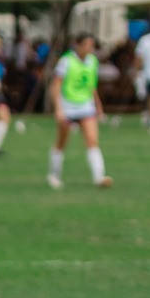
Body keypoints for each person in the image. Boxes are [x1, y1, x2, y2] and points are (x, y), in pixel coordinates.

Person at [47, 31, 110, 190]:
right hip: (67, 105)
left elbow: (91, 86)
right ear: (78, 45)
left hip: (85, 106)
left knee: (92, 140)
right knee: (62, 141)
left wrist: (98, 105)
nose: (89, 48)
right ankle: (54, 174)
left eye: (91, 45)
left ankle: (99, 176)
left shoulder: (92, 61)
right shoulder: (66, 61)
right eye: (86, 45)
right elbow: (56, 86)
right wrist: (58, 109)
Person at [133, 26, 150, 129]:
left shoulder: (144, 40)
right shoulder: (144, 40)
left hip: (148, 73)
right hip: (149, 73)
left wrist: (136, 70)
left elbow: (138, 57)